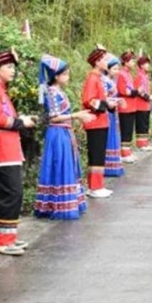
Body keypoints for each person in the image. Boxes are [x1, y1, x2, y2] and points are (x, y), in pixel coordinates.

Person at [0, 48, 34, 256]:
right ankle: (1, 241)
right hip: (0, 149)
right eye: (9, 67)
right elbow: (0, 120)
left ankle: (8, 236)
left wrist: (21, 119)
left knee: (12, 193)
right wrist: (23, 122)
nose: (13, 71)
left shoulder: (0, 90)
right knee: (10, 193)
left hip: (9, 149)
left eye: (13, 66)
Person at [34, 55, 93, 219]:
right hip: (57, 133)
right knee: (60, 165)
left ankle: (63, 203)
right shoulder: (52, 92)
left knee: (65, 165)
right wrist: (76, 115)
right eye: (65, 74)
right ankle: (58, 205)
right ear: (56, 76)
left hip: (64, 132)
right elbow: (53, 117)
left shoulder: (58, 91)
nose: (68, 77)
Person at [80, 46, 114, 198]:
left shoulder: (97, 77)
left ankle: (98, 185)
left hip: (101, 121)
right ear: (98, 61)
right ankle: (94, 186)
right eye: (105, 59)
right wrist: (107, 104)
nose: (108, 62)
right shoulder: (92, 78)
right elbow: (89, 101)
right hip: (95, 121)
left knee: (99, 154)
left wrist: (109, 102)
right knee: (96, 154)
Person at [102, 56, 125, 180]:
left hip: (113, 112)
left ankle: (113, 165)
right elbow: (104, 98)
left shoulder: (111, 81)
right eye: (115, 69)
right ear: (108, 69)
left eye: (118, 69)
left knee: (115, 135)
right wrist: (116, 100)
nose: (117, 71)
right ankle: (108, 166)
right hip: (107, 112)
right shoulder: (104, 81)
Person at [115, 51, 139, 165]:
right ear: (125, 62)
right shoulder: (121, 74)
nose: (134, 62)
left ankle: (127, 151)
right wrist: (135, 92)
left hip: (131, 106)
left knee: (129, 130)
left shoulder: (128, 73)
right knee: (125, 130)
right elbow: (123, 90)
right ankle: (124, 153)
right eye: (132, 60)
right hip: (125, 106)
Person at [133, 53, 152, 153]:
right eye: (146, 64)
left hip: (146, 105)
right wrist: (148, 97)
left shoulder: (145, 76)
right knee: (141, 124)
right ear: (141, 65)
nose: (148, 65)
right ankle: (141, 144)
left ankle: (145, 142)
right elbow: (139, 90)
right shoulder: (139, 76)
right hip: (140, 104)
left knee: (145, 124)